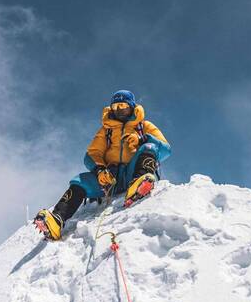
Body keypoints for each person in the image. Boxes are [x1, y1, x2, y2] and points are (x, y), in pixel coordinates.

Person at [34, 90, 171, 241]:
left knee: (149, 148)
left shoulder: (144, 125)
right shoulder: (106, 130)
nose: (119, 110)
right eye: (116, 107)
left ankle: (141, 183)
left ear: (131, 107)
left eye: (123, 106)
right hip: (110, 179)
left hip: (134, 171)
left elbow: (165, 149)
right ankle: (57, 219)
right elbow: (92, 154)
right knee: (80, 181)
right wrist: (99, 170)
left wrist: (142, 139)